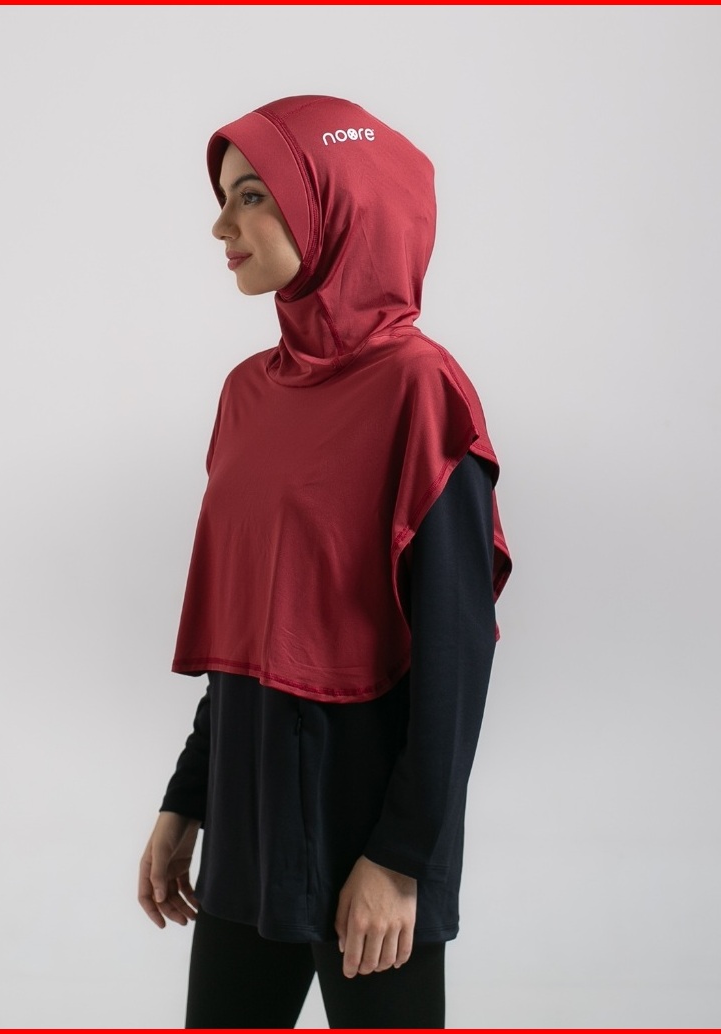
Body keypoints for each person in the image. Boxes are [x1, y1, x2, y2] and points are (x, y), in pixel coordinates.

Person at [138, 94, 511, 1030]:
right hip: (247, 818)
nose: (222, 227)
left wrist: (402, 858)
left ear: (337, 210)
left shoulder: (422, 392)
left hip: (369, 833)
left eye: (252, 196)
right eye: (224, 199)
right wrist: (187, 801)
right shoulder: (246, 397)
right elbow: (247, 633)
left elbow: (456, 657)